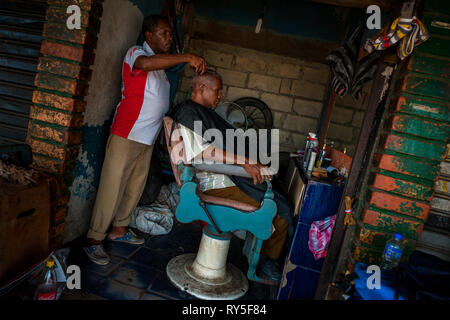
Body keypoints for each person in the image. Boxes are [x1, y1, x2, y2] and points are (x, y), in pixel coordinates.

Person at [83, 15, 207, 265]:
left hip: (147, 139)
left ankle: (119, 230)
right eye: (165, 33)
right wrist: (187, 57)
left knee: (133, 188)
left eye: (170, 34)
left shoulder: (160, 69)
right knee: (112, 187)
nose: (169, 38)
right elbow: (146, 63)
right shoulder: (136, 53)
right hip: (126, 134)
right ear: (149, 36)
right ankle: (93, 240)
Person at [167, 71, 293, 282]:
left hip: (225, 178)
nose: (220, 96)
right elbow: (199, 154)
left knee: (277, 195)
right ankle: (267, 259)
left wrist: (249, 160)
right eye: (216, 91)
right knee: (279, 210)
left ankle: (257, 250)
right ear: (200, 89)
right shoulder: (189, 112)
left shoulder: (199, 112)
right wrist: (243, 162)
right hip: (216, 183)